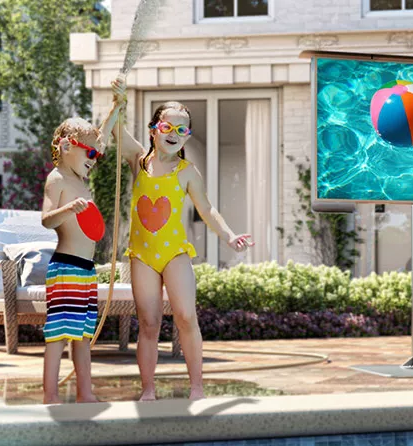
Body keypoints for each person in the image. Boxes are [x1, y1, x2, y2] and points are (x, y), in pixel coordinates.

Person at [110, 76, 253, 401]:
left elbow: (207, 208)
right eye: (167, 127)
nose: (174, 134)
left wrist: (229, 236)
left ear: (187, 135)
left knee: (186, 316)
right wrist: (118, 100)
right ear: (153, 130)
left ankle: (196, 388)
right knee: (149, 322)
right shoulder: (139, 162)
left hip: (174, 253)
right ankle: (148, 389)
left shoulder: (187, 171)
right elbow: (117, 130)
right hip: (142, 256)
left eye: (182, 129)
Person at [39, 113, 119, 404]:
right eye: (89, 152)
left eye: (97, 154)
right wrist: (68, 209)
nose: (95, 157)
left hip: (86, 270)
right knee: (59, 334)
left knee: (83, 336)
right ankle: (50, 394)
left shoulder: (82, 181)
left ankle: (86, 392)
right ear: (65, 146)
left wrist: (115, 108)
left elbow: (101, 137)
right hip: (67, 267)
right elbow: (47, 220)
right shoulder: (57, 179)